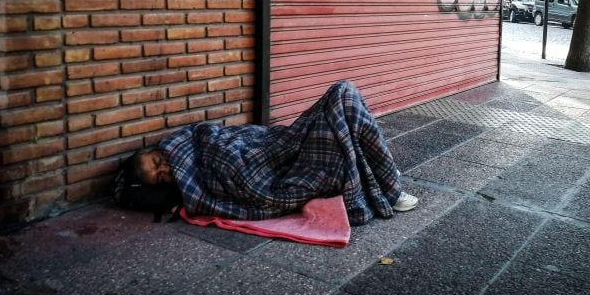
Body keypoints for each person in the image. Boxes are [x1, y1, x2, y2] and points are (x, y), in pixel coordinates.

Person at [121, 81, 418, 226]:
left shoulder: (195, 137)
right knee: (344, 101)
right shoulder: (191, 185)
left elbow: (238, 137)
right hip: (273, 176)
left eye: (158, 162)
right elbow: (218, 195)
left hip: (276, 146)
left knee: (345, 98)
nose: (167, 169)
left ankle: (385, 179)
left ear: (161, 148)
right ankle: (389, 186)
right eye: (160, 178)